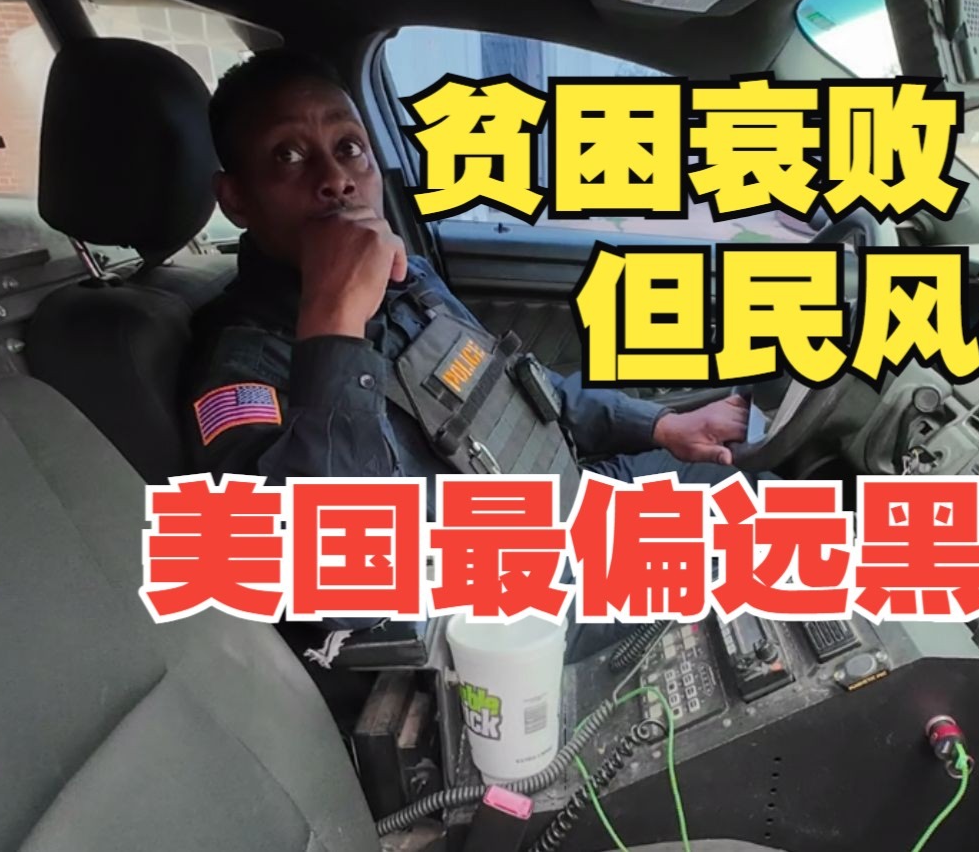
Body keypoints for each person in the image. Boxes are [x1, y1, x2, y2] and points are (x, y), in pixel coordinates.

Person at [183, 49, 758, 706]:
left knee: (747, 484)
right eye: (288, 156)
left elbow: (522, 389)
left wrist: (660, 424)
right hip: (493, 617)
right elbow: (339, 585)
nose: (335, 179)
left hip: (561, 506)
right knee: (757, 555)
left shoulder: (410, 284)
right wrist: (333, 322)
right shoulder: (236, 373)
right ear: (235, 198)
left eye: (349, 148)